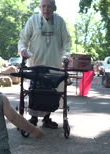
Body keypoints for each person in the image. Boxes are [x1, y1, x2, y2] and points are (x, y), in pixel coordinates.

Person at [18, 0, 71, 129]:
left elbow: (67, 42)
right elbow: (23, 39)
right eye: (43, 6)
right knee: (35, 90)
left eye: (49, 6)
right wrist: (23, 50)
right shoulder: (33, 20)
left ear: (54, 7)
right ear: (40, 7)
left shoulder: (60, 21)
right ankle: (33, 118)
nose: (46, 9)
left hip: (54, 63)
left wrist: (66, 56)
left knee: (51, 92)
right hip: (36, 63)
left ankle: (47, 118)